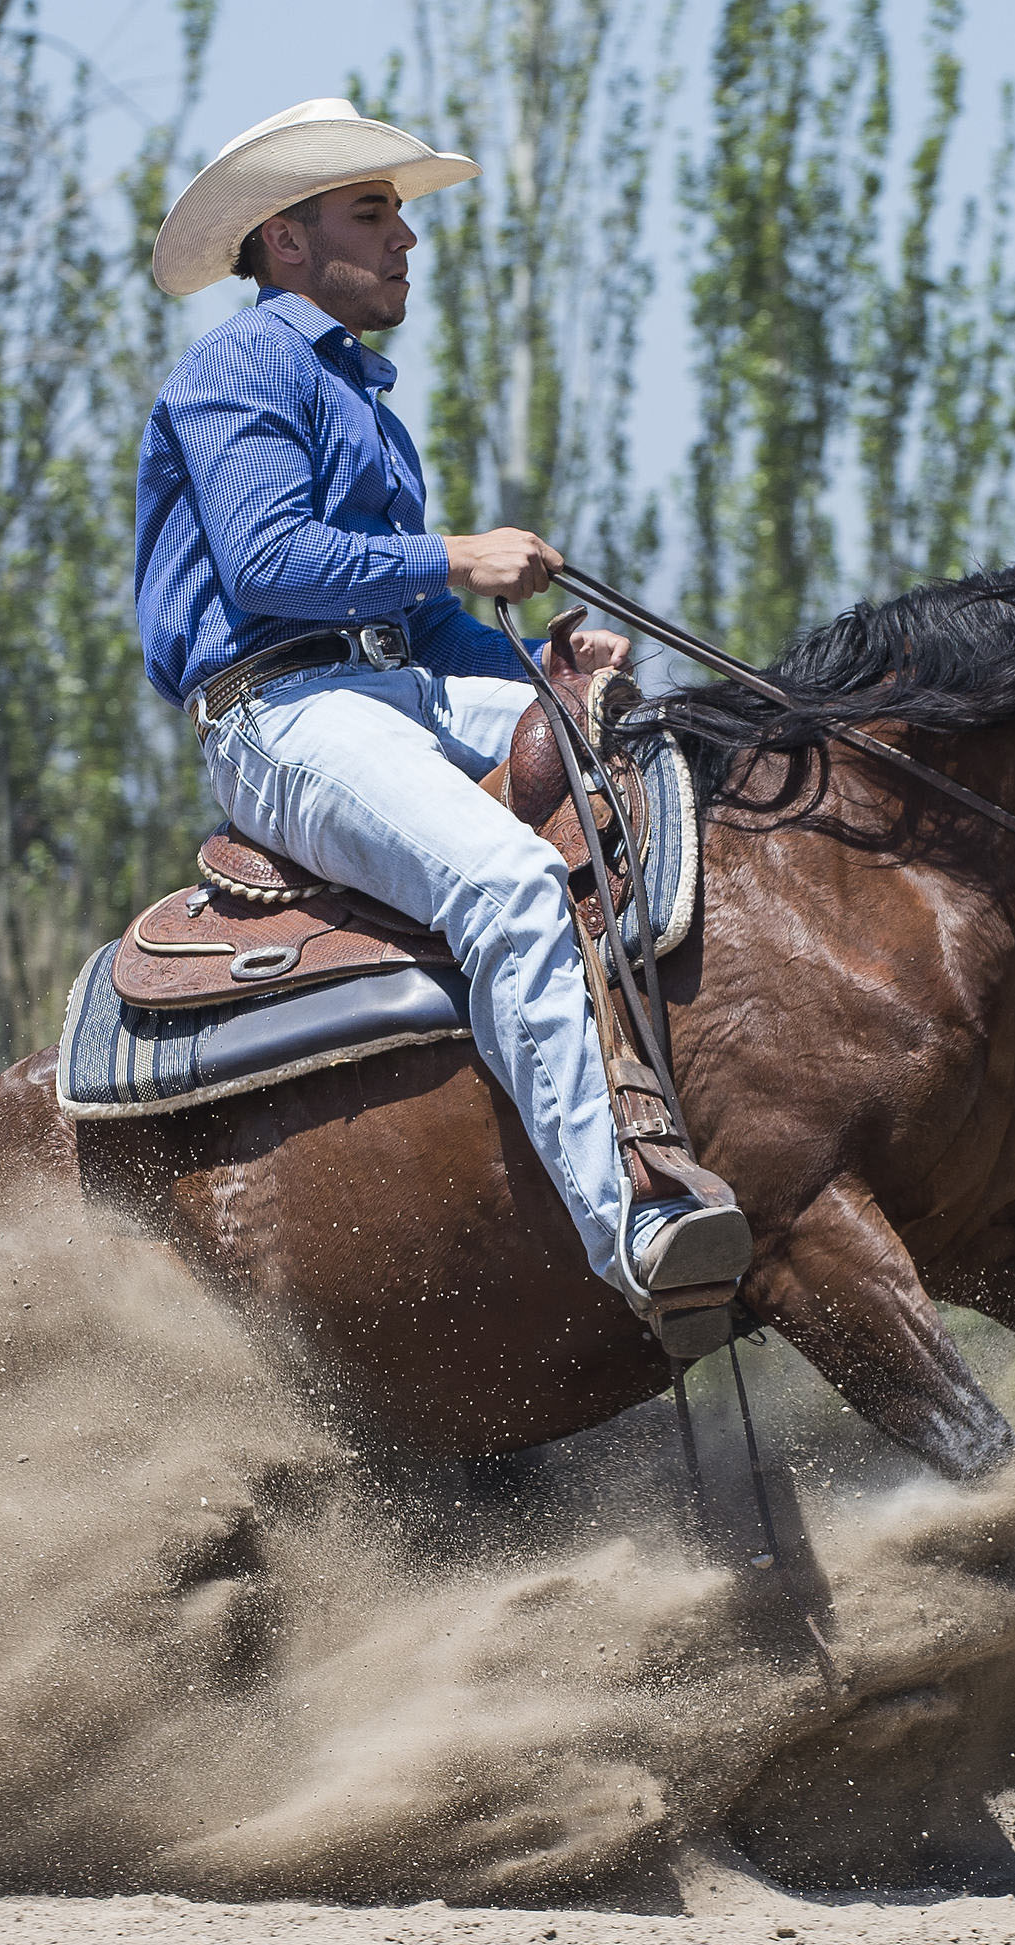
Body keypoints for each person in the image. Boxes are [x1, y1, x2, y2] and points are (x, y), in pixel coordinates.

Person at [136, 97, 749, 1319]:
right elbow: (266, 565)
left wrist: (550, 676)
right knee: (508, 882)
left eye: (401, 213)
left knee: (663, 755)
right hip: (285, 712)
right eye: (375, 212)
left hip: (390, 684)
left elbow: (420, 629)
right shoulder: (243, 365)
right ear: (287, 242)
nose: (407, 238)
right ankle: (628, 1228)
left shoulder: (363, 398)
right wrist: (452, 554)